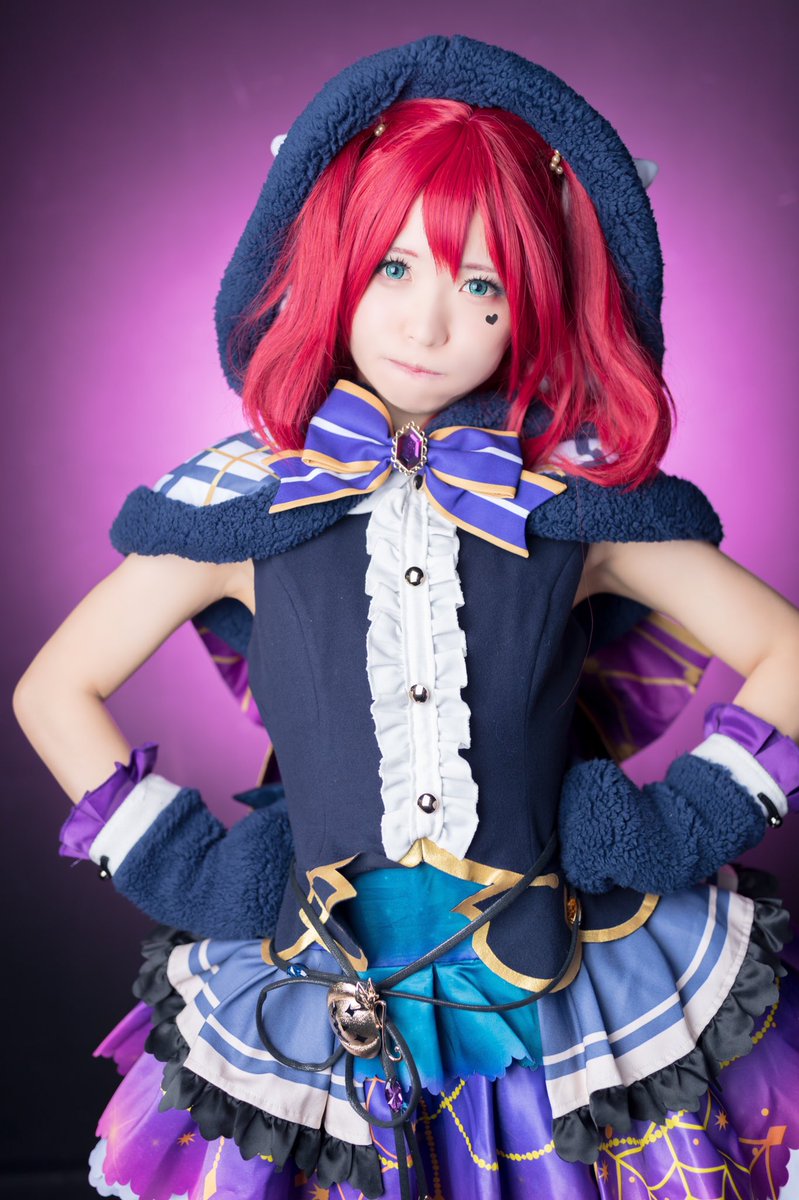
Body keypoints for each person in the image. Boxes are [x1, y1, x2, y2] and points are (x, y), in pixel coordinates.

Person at [12, 33, 799, 1200]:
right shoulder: (248, 507)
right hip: (316, 987)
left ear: (533, 306)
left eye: (481, 287)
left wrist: (674, 828)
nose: (429, 326)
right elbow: (53, 690)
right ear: (330, 267)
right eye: (393, 268)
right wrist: (193, 873)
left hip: (561, 987)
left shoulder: (568, 506)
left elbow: (788, 649)